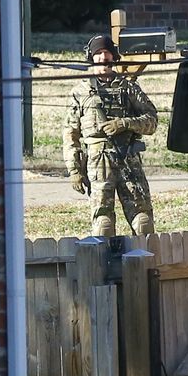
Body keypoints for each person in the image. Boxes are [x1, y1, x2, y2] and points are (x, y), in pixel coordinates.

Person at [65, 35, 158, 238]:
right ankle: (104, 266)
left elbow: (152, 121)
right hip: (99, 162)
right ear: (91, 57)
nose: (103, 57)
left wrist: (125, 124)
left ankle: (143, 265)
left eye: (106, 53)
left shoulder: (129, 88)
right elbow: (70, 134)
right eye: (98, 54)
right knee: (103, 223)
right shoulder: (80, 92)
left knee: (142, 222)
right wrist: (74, 170)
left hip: (128, 160)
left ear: (113, 56)